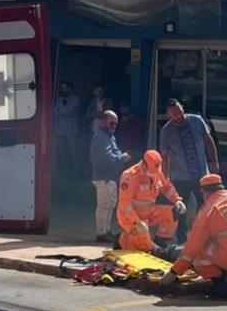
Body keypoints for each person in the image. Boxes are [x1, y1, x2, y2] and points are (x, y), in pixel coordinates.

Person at [160, 174, 227, 300]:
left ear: (204, 192)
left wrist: (174, 272)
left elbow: (191, 249)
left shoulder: (208, 210)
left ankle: (219, 285)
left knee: (200, 249)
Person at [159, 98, 219, 242]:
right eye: (173, 114)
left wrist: (214, 162)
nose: (178, 116)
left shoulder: (196, 120)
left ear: (182, 108)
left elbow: (208, 141)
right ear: (168, 115)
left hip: (201, 174)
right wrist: (164, 177)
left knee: (205, 206)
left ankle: (202, 235)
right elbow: (165, 156)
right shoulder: (166, 131)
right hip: (180, 177)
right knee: (181, 208)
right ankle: (182, 239)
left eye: (179, 111)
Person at [117, 149, 186, 251]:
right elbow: (125, 205)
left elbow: (167, 187)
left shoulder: (156, 172)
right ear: (144, 165)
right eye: (152, 171)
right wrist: (137, 222)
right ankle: (123, 241)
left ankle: (161, 241)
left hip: (149, 213)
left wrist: (177, 200)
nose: (154, 174)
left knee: (173, 213)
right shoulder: (129, 176)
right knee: (142, 246)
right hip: (131, 217)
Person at [90, 110, 131, 242]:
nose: (113, 125)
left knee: (110, 204)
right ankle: (101, 233)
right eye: (111, 122)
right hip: (104, 177)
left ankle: (106, 231)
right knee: (104, 206)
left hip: (110, 177)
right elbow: (106, 157)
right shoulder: (101, 137)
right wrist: (122, 157)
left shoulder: (109, 136)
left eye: (116, 124)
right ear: (103, 121)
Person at [53, 81, 80, 179]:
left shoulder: (76, 99)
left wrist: (61, 112)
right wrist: (61, 112)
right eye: (62, 88)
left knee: (74, 153)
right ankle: (65, 174)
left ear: (70, 89)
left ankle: (76, 174)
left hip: (72, 130)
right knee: (63, 153)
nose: (63, 90)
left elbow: (71, 111)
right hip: (61, 130)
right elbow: (55, 111)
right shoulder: (59, 100)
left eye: (65, 88)